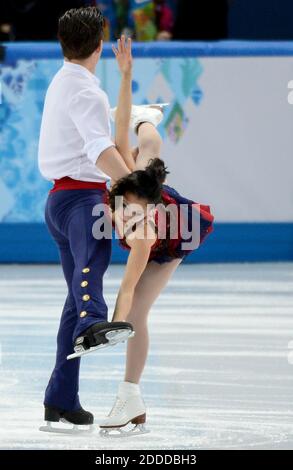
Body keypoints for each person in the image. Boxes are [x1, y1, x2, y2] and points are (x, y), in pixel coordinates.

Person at [98, 36, 214, 435]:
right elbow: (121, 126)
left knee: (137, 314)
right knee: (139, 140)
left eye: (134, 211)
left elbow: (128, 288)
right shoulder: (128, 174)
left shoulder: (146, 233)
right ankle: (148, 116)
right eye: (126, 204)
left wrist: (114, 324)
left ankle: (130, 395)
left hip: (175, 238)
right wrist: (126, 73)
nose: (127, 213)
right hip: (144, 166)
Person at [38, 7, 135, 431]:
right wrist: (136, 186)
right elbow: (100, 149)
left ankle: (60, 396)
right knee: (92, 265)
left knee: (73, 298)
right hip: (81, 201)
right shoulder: (86, 91)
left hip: (59, 201)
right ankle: (93, 320)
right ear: (99, 46)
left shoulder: (62, 81)